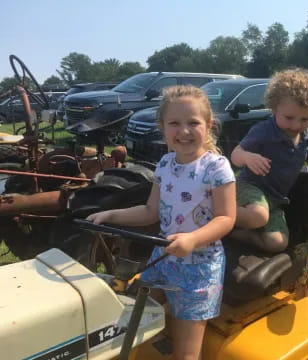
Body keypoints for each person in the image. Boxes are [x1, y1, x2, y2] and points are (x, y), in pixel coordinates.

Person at [87, 85, 236, 360]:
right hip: (163, 259)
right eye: (175, 123)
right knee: (133, 324)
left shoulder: (216, 167)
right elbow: (149, 211)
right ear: (163, 127)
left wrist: (192, 239)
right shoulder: (166, 164)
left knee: (186, 353)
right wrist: (111, 215)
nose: (184, 130)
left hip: (199, 269)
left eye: (193, 122)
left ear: (208, 124)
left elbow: (226, 218)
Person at [230, 68, 308, 253]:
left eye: (305, 119)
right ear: (274, 107)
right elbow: (236, 155)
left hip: (275, 200)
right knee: (258, 215)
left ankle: (234, 233)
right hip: (249, 187)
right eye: (289, 117)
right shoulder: (264, 130)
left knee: (277, 243)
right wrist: (248, 157)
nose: (296, 125)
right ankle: (218, 212)